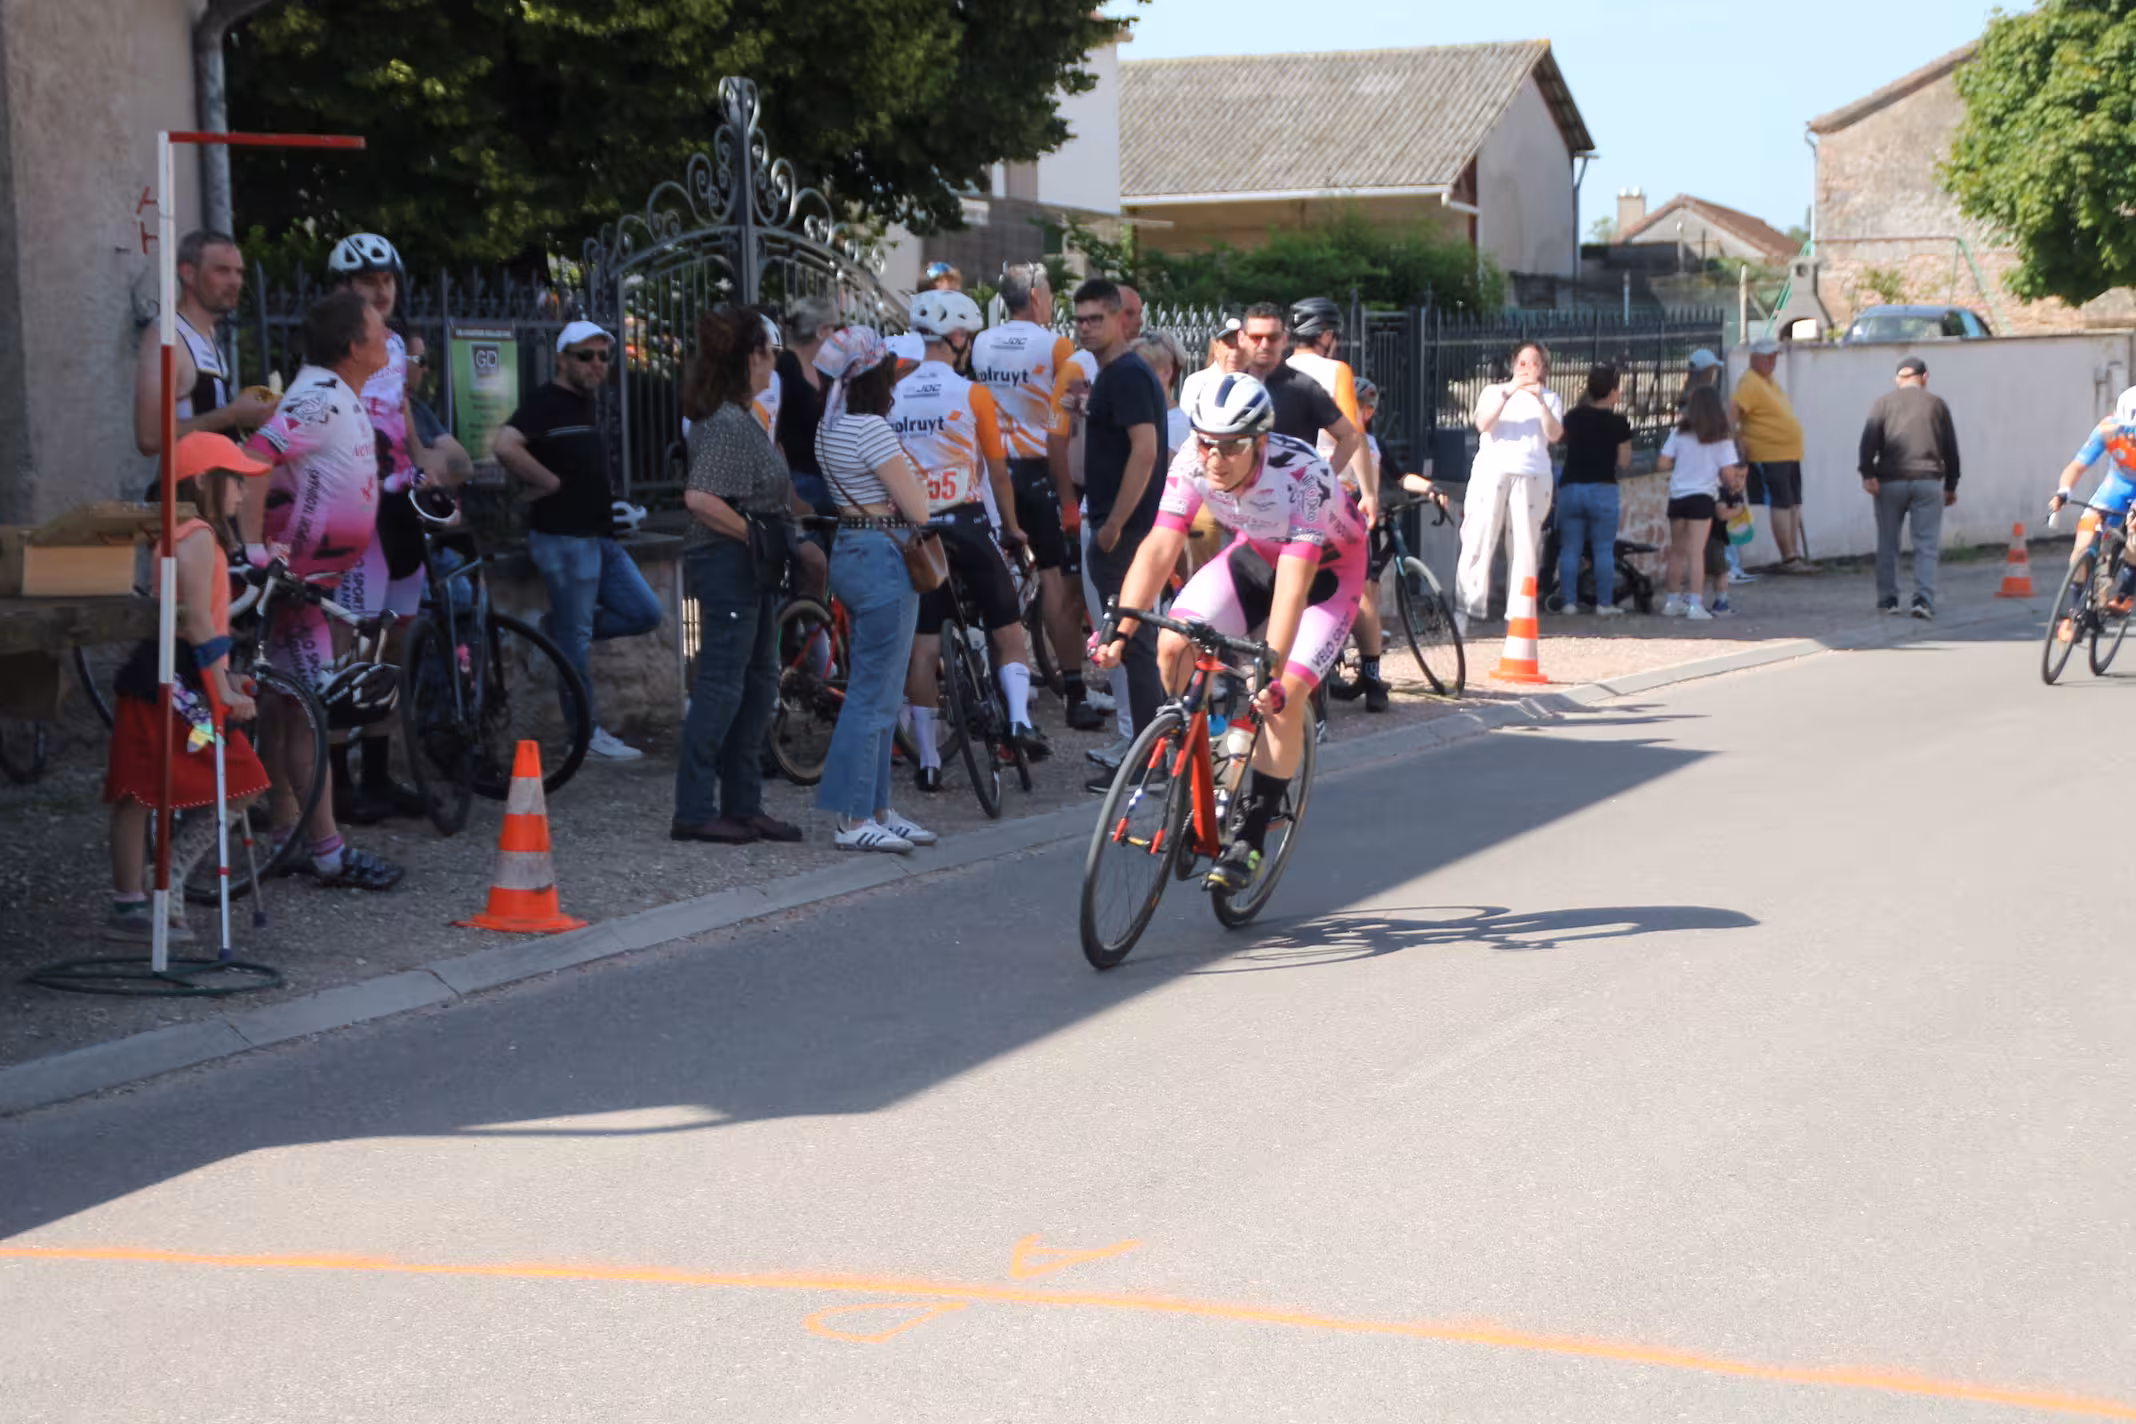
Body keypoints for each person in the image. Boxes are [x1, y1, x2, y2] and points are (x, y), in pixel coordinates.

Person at [1091, 373, 1368, 889]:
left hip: (1325, 575)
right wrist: (1120, 627)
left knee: (1282, 695)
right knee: (1173, 643)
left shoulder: (1303, 476)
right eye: (1206, 443)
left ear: (1260, 442)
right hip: (1256, 556)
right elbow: (1160, 546)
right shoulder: (1192, 459)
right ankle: (1213, 760)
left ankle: (1251, 834)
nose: (1215, 458)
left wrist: (1271, 669)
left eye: (1232, 445)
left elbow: (1293, 585)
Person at [238, 289, 404, 890]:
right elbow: (255, 457)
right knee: (308, 716)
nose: (388, 338)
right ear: (353, 346)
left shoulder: (337, 393)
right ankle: (328, 853)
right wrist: (255, 551)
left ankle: (287, 835)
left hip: (310, 580)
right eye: (378, 330)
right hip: (295, 583)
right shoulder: (319, 398)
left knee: (288, 712)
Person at [102, 434, 274, 943]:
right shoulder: (195, 534)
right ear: (202, 480)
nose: (241, 491)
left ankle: (146, 892)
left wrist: (223, 676)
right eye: (234, 479)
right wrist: (222, 686)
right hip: (178, 679)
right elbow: (195, 618)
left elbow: (201, 620)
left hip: (176, 673)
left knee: (143, 791)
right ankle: (158, 885)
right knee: (235, 780)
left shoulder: (180, 532)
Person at [892, 289, 1047, 789]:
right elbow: (997, 473)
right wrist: (1013, 527)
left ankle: (929, 761)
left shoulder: (892, 394)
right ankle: (1019, 719)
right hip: (967, 521)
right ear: (957, 336)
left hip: (919, 530)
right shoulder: (972, 393)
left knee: (923, 647)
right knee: (1006, 628)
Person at [493, 320, 665, 762]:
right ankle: (584, 736)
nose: (596, 365)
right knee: (577, 641)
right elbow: (505, 446)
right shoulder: (546, 402)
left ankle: (549, 630)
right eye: (585, 356)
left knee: (645, 612)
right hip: (564, 538)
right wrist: (548, 482)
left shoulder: (585, 404)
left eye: (603, 357)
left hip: (599, 538)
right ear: (562, 359)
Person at [672, 309, 803, 845]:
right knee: (723, 685)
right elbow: (700, 499)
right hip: (729, 562)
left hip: (748, 565)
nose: (775, 362)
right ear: (752, 357)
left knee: (757, 681)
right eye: (771, 352)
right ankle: (694, 809)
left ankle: (743, 805)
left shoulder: (738, 416)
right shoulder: (727, 421)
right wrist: (752, 534)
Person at [811, 327, 939, 852]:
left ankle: (876, 807)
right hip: (884, 554)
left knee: (880, 691)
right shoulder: (872, 430)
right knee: (874, 693)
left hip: (851, 547)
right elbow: (920, 509)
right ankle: (853, 817)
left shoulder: (829, 428)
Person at [322, 235, 433, 821]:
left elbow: (403, 417)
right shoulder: (330, 351)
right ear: (343, 288)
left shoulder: (393, 346)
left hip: (399, 506)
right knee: (351, 647)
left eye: (387, 279)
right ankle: (338, 783)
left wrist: (427, 470)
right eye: (368, 281)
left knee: (392, 645)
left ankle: (379, 772)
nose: (382, 290)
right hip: (355, 513)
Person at [969, 263, 1095, 731]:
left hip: (991, 471)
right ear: (1038, 298)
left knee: (991, 576)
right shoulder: (1057, 345)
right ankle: (1075, 692)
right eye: (1052, 294)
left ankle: (994, 679)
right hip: (1039, 470)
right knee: (1055, 580)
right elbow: (1078, 410)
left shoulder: (981, 341)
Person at [1072, 278, 1167, 793]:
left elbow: (1145, 452)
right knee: (1134, 642)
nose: (1087, 328)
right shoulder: (1114, 375)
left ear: (1119, 319)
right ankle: (1149, 755)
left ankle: (1149, 762)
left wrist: (1113, 526)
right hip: (1123, 528)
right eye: (1080, 320)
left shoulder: (1125, 374)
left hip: (1124, 533)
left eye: (1096, 319)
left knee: (1134, 643)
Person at [133, 230, 277, 459]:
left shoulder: (208, 333)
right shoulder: (167, 336)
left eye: (239, 272)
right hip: (186, 482)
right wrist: (232, 415)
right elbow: (149, 437)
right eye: (222, 271)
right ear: (188, 273)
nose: (236, 282)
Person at [1456, 342, 1564, 635]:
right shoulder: (1494, 391)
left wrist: (1540, 402)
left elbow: (1554, 434)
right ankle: (1465, 609)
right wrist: (1509, 392)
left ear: (1543, 369)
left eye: (1534, 363)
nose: (1527, 369)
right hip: (1492, 470)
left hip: (1532, 473)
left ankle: (1518, 616)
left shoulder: (1550, 398)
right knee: (1478, 538)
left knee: (1525, 546)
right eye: (1522, 363)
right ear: (1513, 365)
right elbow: (1483, 423)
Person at [1857, 355, 1961, 619]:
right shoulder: (1936, 404)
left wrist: (1867, 473)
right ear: (1924, 377)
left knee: (1888, 542)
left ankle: (1888, 600)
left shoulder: (1883, 403)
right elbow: (1950, 448)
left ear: (1898, 379)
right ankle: (1923, 600)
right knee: (1926, 544)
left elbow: (1868, 440)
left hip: (1889, 482)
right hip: (1928, 481)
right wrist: (1951, 484)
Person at [1237, 304, 1365, 510]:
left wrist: (1324, 477)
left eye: (1272, 337)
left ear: (1284, 339)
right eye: (1256, 337)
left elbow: (1350, 435)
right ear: (1242, 339)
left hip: (1290, 507)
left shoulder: (1303, 387)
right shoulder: (1230, 385)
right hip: (1238, 505)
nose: (1264, 344)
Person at [2049, 385, 2136, 631]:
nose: (2132, 438)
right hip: (2115, 488)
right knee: (2082, 545)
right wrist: (2064, 490)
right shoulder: (2108, 430)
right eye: (2129, 430)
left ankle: (2125, 593)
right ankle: (2077, 611)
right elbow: (2077, 466)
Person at [1656, 386, 1745, 620]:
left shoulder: (1679, 433)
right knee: (1696, 553)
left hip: (1678, 496)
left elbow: (1663, 463)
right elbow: (1728, 473)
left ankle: (1672, 601)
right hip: (1702, 496)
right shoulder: (1721, 437)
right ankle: (1695, 603)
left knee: (1677, 551)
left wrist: (1683, 466)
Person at [1283, 297, 1376, 512]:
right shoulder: (1337, 370)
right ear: (1325, 335)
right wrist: (1369, 493)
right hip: (1328, 487)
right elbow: (1354, 433)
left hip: (1285, 484)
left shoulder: (1280, 372)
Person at [1555, 363, 1633, 617]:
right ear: (1612, 391)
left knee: (1570, 548)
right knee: (1603, 549)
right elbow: (1624, 462)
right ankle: (1604, 603)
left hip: (1571, 487)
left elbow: (1559, 440)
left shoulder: (1573, 417)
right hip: (1603, 488)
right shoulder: (1619, 422)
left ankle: (1568, 602)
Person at [1734, 338, 1813, 572]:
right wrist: (1738, 442)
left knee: (1793, 503)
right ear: (1754, 358)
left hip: (1789, 453)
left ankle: (1794, 555)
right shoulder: (1749, 383)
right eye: (1767, 357)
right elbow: (1733, 414)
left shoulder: (1769, 381)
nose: (1772, 361)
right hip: (1769, 454)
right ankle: (1788, 558)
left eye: (1774, 357)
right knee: (1781, 504)